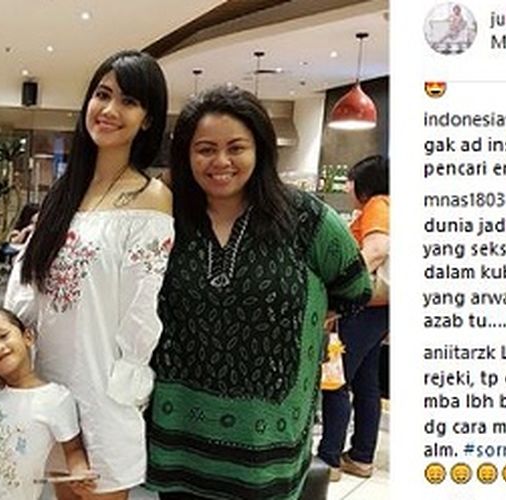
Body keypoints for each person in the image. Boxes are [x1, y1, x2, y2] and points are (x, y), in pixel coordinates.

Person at [146, 85, 371, 499]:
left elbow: (355, 289)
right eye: (205, 149)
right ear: (186, 155)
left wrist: (301, 321)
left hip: (267, 443)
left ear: (260, 150)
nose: (221, 161)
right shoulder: (165, 217)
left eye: (236, 148)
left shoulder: (305, 218)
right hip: (179, 438)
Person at [5, 49, 172, 499]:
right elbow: (26, 286)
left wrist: (127, 388)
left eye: (129, 101)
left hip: (103, 394)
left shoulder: (151, 197)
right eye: (102, 94)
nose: (110, 109)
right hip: (46, 388)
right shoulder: (64, 193)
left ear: (148, 119)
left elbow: (141, 310)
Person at [0, 308, 95, 500]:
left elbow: (73, 449)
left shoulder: (56, 399)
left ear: (27, 337)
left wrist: (80, 472)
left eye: (3, 336)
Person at [317, 155, 389, 481]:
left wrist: (341, 288)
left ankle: (329, 459)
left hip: (361, 307)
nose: (347, 187)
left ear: (365, 183)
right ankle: (360, 456)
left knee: (335, 379)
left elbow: (376, 250)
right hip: (380, 310)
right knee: (366, 383)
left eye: (350, 180)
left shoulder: (378, 205)